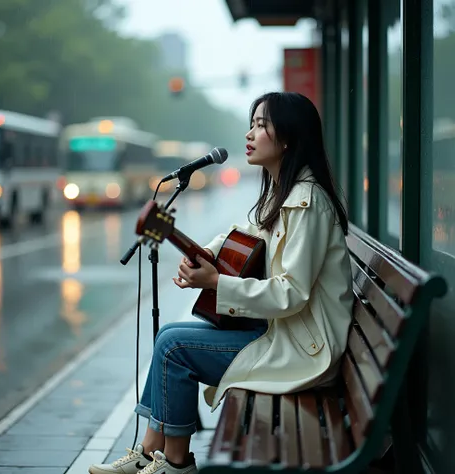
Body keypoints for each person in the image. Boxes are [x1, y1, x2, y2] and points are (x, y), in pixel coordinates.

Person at [88, 91, 353, 474]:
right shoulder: (282, 195)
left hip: (305, 347)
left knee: (174, 345)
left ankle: (174, 463)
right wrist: (204, 256)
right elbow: (243, 236)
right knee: (171, 337)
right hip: (286, 333)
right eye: (251, 124)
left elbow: (290, 294)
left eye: (262, 125)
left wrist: (216, 282)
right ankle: (151, 452)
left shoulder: (306, 202)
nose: (250, 134)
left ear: (288, 138)